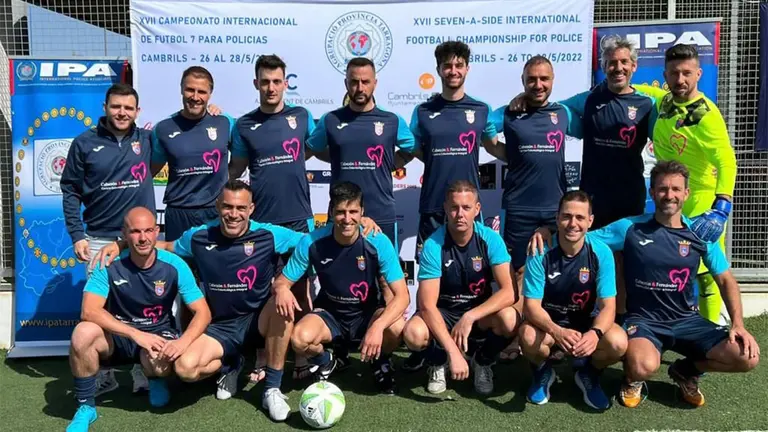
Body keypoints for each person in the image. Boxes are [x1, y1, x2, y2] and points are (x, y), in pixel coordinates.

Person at [529, 161, 760, 408]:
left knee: (746, 357)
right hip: (644, 321)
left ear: (686, 193)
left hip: (687, 319)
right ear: (652, 192)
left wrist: (738, 324)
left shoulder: (700, 234)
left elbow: (725, 280)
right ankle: (632, 379)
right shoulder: (630, 227)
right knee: (643, 366)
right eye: (662, 189)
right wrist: (547, 230)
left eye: (675, 189)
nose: (669, 195)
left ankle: (686, 371)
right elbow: (579, 234)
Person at [93, 180, 303, 421]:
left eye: (240, 208)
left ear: (251, 209)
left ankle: (272, 389)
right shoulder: (199, 236)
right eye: (227, 207)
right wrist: (120, 243)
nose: (233, 214)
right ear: (218, 206)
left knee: (282, 304)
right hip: (219, 327)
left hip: (258, 320)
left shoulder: (269, 234)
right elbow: (164, 246)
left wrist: (283, 284)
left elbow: (310, 242)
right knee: (185, 369)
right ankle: (231, 363)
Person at [402, 41, 500, 372]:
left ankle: (474, 346)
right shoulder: (423, 112)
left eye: (459, 65)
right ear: (439, 70)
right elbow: (414, 148)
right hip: (433, 208)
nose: (453, 71)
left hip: (468, 212)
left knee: (473, 279)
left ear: (467, 68)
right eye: (447, 66)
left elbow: (493, 145)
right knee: (433, 285)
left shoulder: (482, 110)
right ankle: (436, 357)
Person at [66, 207, 210, 432]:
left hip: (158, 335)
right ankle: (86, 406)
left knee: (159, 365)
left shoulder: (174, 264)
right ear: (124, 233)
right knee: (82, 333)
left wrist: (182, 342)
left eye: (148, 230)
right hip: (120, 336)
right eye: (135, 231)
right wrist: (135, 334)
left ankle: (155, 379)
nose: (143, 238)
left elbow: (203, 312)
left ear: (156, 231)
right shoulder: (109, 263)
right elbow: (89, 310)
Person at [60, 82, 157, 395]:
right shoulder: (84, 143)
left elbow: (185, 130)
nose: (122, 113)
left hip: (140, 240)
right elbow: (70, 190)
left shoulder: (147, 139)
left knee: (143, 303)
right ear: (105, 107)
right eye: (116, 106)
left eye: (128, 108)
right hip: (100, 240)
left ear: (138, 111)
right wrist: (77, 234)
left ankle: (142, 368)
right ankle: (105, 373)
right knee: (101, 309)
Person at [273, 181, 409, 395]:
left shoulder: (378, 241)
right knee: (299, 339)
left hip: (367, 315)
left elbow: (403, 296)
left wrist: (377, 327)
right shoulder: (312, 241)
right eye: (340, 212)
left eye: (353, 212)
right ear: (331, 212)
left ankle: (380, 361)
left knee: (396, 326)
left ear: (362, 212)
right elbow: (282, 281)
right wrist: (281, 289)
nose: (347, 219)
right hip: (330, 315)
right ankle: (327, 360)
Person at [633, 44, 738, 324]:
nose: (680, 80)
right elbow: (647, 91)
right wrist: (617, 86)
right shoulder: (666, 102)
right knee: (670, 265)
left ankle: (712, 330)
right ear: (665, 75)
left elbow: (727, 161)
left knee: (707, 273)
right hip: (670, 197)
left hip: (700, 200)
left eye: (687, 73)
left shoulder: (707, 116)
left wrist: (721, 207)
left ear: (699, 74)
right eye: (674, 73)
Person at [402, 180, 520, 395]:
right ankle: (439, 362)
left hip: (478, 314)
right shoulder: (433, 245)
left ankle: (482, 361)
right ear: (445, 208)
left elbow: (510, 292)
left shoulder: (491, 239)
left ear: (477, 209)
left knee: (510, 319)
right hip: (443, 313)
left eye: (466, 207)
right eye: (454, 207)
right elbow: (427, 306)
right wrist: (453, 353)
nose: (460, 214)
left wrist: (470, 316)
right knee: (413, 333)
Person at [488, 55, 582, 306]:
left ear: (553, 80)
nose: (538, 85)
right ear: (523, 81)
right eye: (531, 79)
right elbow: (483, 126)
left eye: (544, 79)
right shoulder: (510, 113)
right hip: (519, 209)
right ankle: (516, 325)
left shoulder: (563, 113)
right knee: (517, 273)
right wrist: (510, 154)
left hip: (555, 210)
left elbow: (590, 124)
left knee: (557, 274)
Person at [520, 190, 625, 410]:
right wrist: (557, 331)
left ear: (590, 221)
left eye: (579, 217)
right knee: (528, 336)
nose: (573, 224)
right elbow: (531, 307)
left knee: (617, 343)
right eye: (567, 216)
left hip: (586, 323)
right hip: (549, 325)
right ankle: (542, 371)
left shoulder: (601, 252)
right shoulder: (539, 251)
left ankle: (588, 373)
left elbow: (608, 307)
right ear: (557, 218)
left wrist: (595, 334)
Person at [307, 57, 418, 246]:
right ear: (346, 83)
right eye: (354, 82)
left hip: (381, 214)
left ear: (375, 83)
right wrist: (338, 157)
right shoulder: (330, 120)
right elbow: (313, 149)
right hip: (342, 216)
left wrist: (389, 163)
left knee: (385, 266)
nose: (360, 88)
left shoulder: (392, 120)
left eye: (365, 82)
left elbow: (413, 149)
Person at [150, 66, 234, 242]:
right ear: (181, 89)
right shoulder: (163, 129)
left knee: (216, 260)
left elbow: (245, 156)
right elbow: (148, 173)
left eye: (202, 92)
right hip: (179, 213)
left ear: (210, 94)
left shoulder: (225, 122)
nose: (195, 97)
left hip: (215, 212)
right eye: (190, 90)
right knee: (178, 261)